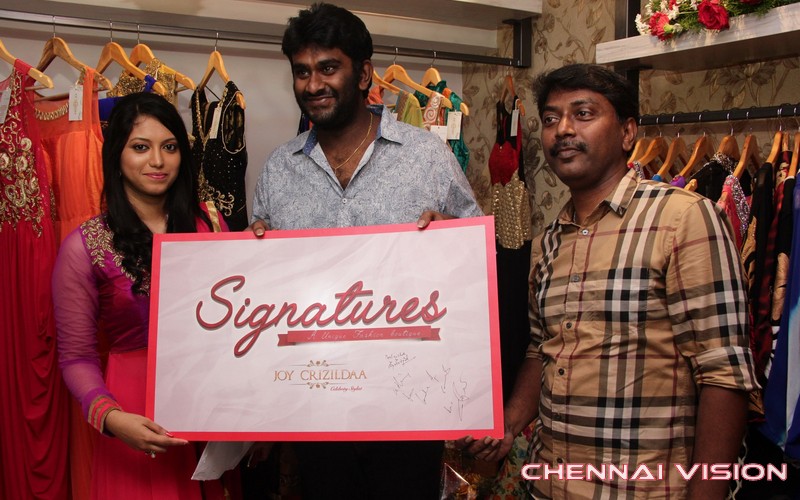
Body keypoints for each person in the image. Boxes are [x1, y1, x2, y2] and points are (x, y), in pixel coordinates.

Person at [461, 64, 757, 499]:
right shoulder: (549, 242)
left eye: (583, 114)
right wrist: (508, 425)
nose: (563, 129)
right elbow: (542, 350)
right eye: (551, 118)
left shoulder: (683, 218)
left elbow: (724, 373)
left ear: (627, 133)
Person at [248, 3, 483, 498]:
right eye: (302, 72)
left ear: (363, 74)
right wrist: (256, 256)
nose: (313, 84)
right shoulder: (279, 168)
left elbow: (477, 272)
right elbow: (268, 287)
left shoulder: (426, 156)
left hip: (408, 405)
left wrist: (454, 242)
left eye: (328, 68)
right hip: (313, 408)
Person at [52, 92, 232, 500]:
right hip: (135, 413)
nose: (157, 161)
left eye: (169, 147)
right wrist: (112, 418)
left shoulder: (211, 225)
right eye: (140, 147)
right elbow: (75, 356)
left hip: (211, 402)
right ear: (116, 155)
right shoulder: (85, 246)